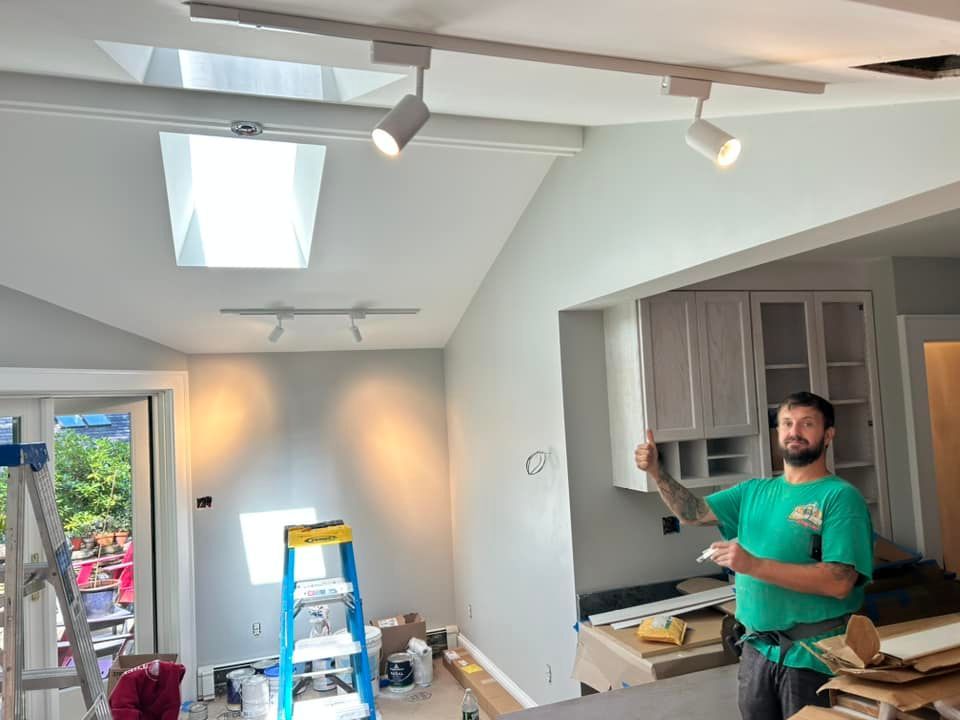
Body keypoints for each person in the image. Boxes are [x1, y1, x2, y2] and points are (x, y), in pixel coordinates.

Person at [635, 391, 873, 720]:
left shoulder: (840, 497)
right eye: (786, 423)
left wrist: (753, 565)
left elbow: (839, 582)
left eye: (807, 424)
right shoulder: (754, 492)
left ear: (828, 434)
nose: (794, 432)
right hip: (756, 653)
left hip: (813, 657)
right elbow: (693, 512)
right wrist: (657, 472)